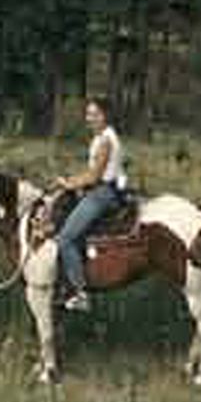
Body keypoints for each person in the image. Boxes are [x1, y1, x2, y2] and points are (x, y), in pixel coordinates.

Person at [54, 97, 128, 313]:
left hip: (103, 193)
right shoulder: (99, 138)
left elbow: (95, 176)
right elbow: (90, 173)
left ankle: (80, 293)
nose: (89, 119)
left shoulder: (106, 140)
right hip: (98, 189)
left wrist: (69, 184)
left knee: (65, 238)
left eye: (93, 114)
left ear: (104, 116)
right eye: (88, 115)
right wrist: (72, 181)